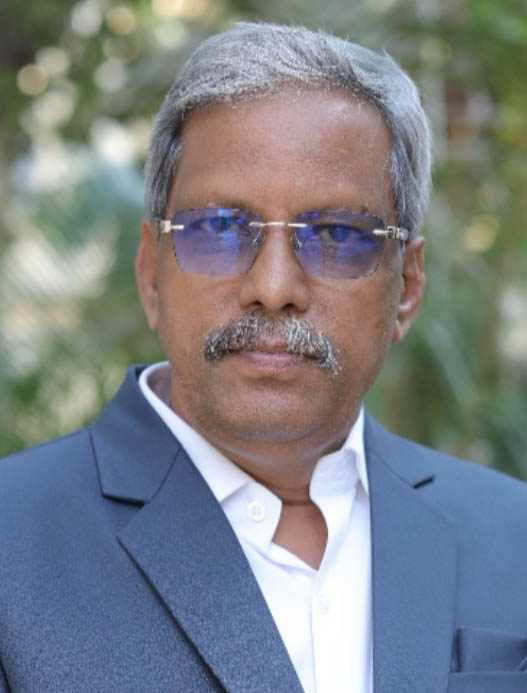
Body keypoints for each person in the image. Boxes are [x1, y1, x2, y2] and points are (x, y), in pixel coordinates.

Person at [0, 22, 525, 693]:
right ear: (152, 273)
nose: (274, 288)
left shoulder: (512, 535)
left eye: (338, 235)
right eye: (219, 228)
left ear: (408, 287)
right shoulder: (13, 542)